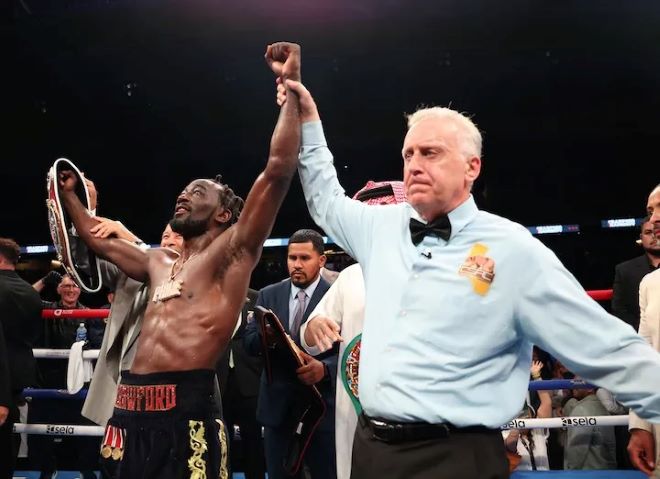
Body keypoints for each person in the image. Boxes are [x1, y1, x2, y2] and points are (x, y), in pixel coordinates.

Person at [275, 74, 660, 478]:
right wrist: (308, 120)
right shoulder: (380, 228)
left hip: (456, 457)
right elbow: (325, 199)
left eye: (431, 153)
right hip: (371, 450)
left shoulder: (512, 250)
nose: (415, 166)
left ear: (472, 167)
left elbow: (606, 346)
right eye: (408, 155)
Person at [55, 41, 304, 478]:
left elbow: (278, 169)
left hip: (187, 413)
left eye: (198, 192)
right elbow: (96, 240)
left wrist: (292, 85)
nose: (184, 195)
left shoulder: (232, 254)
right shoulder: (156, 262)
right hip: (127, 410)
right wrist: (69, 195)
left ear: (223, 215)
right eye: (183, 191)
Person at [300, 180, 406, 479]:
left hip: (413, 410)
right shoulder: (351, 277)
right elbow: (308, 336)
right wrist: (315, 327)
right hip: (355, 410)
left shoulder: (430, 273)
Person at [244, 228, 335, 479]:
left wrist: (325, 368)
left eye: (304, 258)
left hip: (320, 407)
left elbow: (351, 349)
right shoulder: (268, 294)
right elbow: (248, 344)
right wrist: (266, 337)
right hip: (278, 407)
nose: (296, 264)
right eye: (292, 258)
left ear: (321, 260)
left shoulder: (335, 296)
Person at [79, 217, 184, 428]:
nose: (169, 241)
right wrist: (87, 217)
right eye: (165, 236)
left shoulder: (196, 274)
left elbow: (168, 272)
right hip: (127, 384)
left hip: (171, 388)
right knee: (121, 444)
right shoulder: (129, 271)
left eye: (178, 236)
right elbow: (84, 259)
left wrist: (132, 240)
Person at [0, 237, 42, 479]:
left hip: (2, 372)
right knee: (9, 434)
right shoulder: (30, 292)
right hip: (19, 372)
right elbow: (34, 333)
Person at [216, 288, 265, 479]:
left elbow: (262, 336)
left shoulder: (257, 297)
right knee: (222, 439)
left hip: (250, 379)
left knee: (253, 440)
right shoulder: (214, 297)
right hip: (220, 379)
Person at [628, 185, 660, 477]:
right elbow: (644, 357)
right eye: (651, 211)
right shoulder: (650, 284)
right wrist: (640, 424)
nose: (655, 219)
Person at [612, 217, 660, 330]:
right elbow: (619, 310)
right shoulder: (625, 270)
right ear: (641, 238)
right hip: (639, 333)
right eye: (648, 232)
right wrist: (642, 332)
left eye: (658, 231)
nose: (654, 236)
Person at [563, 385, 617, 470]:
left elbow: (577, 449)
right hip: (605, 470)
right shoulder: (602, 408)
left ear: (590, 388)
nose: (574, 384)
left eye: (578, 381)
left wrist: (570, 472)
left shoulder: (582, 409)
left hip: (587, 471)